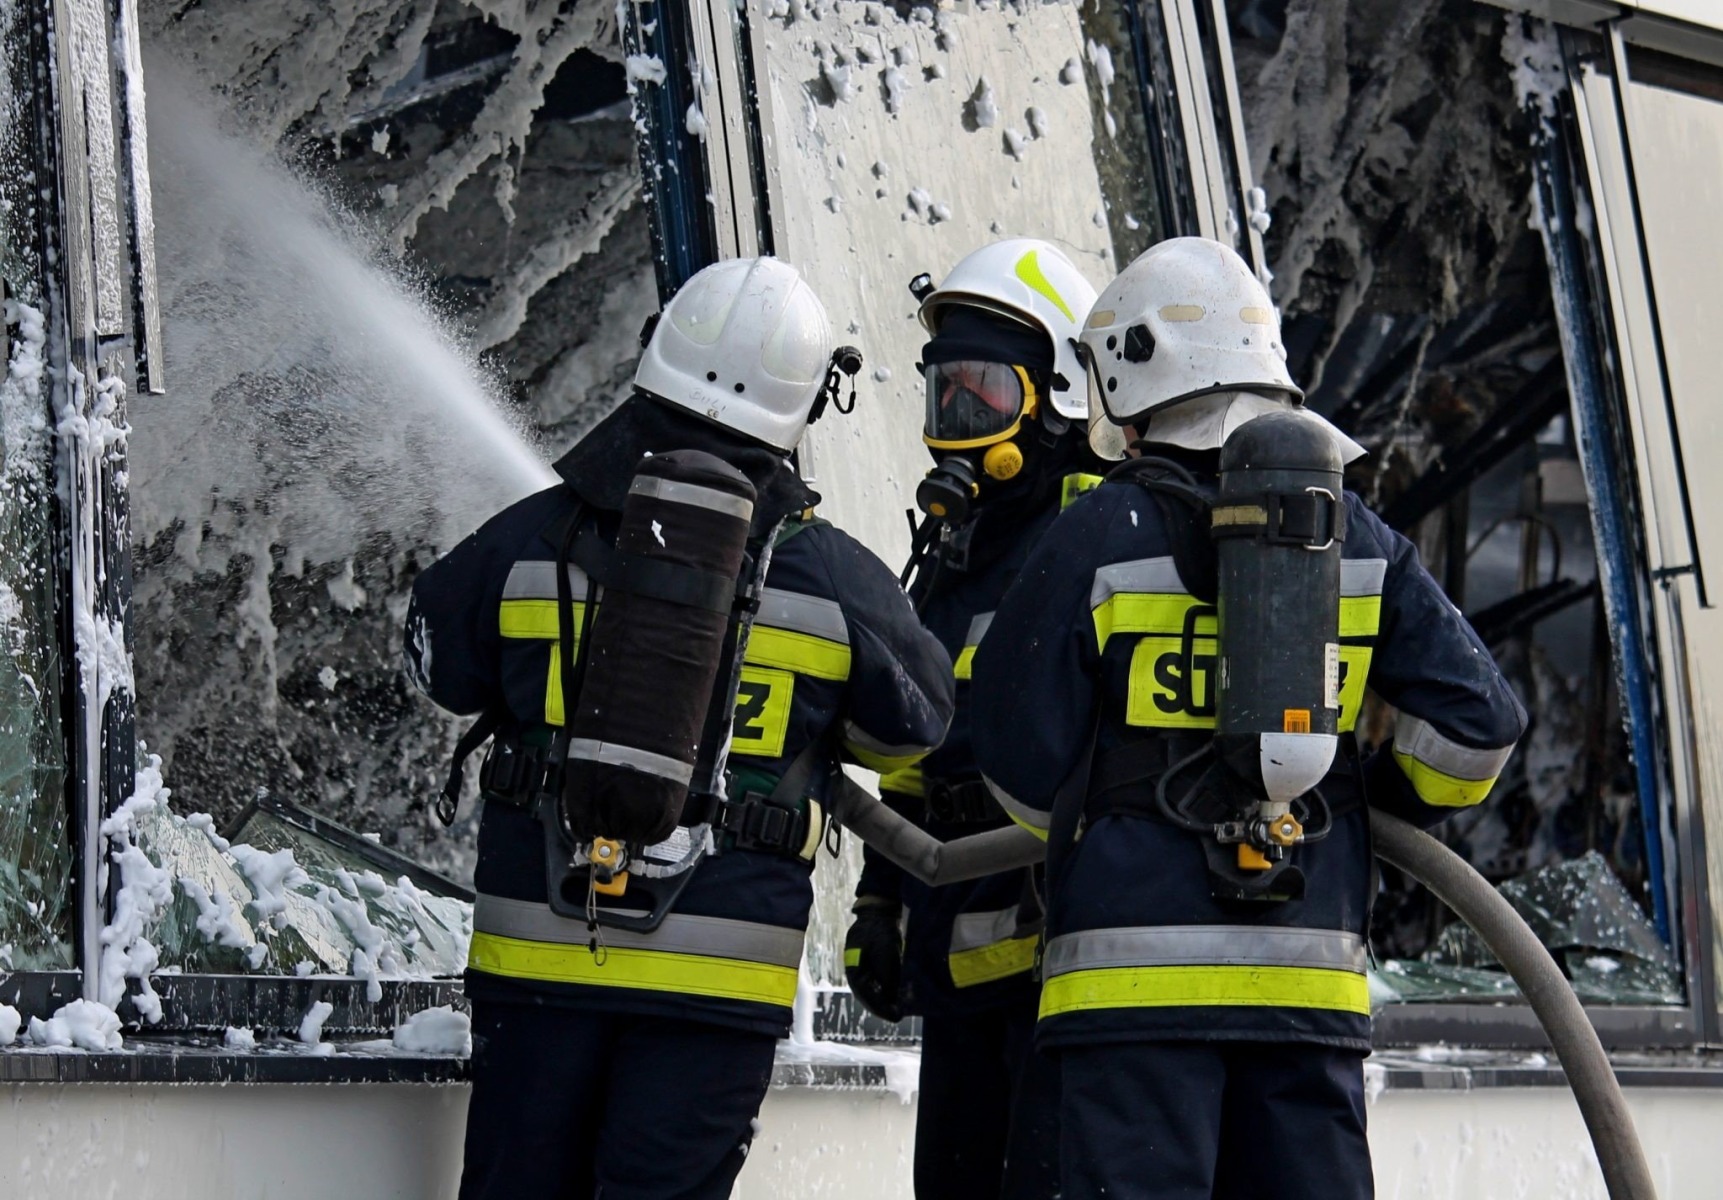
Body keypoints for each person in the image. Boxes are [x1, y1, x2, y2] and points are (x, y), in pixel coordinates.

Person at [969, 237, 1527, 1200]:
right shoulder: (1361, 540)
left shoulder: (1097, 531)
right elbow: (1478, 732)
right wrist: (1357, 803)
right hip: (1305, 995)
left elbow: (1015, 762)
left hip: (1126, 999)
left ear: (1139, 376)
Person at [404, 256, 955, 1200]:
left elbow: (434, 665)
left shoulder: (530, 538)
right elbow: (919, 728)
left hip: (539, 964)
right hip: (717, 987)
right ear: (804, 402)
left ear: (655, 356)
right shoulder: (834, 584)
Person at [844, 238, 1099, 1199]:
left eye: (985, 396)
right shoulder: (953, 553)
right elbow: (915, 747)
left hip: (1051, 967)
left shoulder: (1092, 539)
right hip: (955, 948)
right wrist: (878, 897)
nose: (958, 426)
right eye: (944, 396)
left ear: (1059, 395)